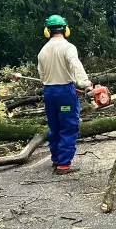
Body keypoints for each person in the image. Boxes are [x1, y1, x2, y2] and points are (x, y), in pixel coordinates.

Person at [37, 15, 92, 174]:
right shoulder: (68, 47)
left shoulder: (43, 51)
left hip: (49, 91)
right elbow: (75, 64)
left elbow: (41, 76)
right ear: (66, 29)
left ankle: (56, 159)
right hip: (65, 92)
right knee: (68, 125)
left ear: (47, 31)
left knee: (54, 126)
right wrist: (85, 83)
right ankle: (63, 165)